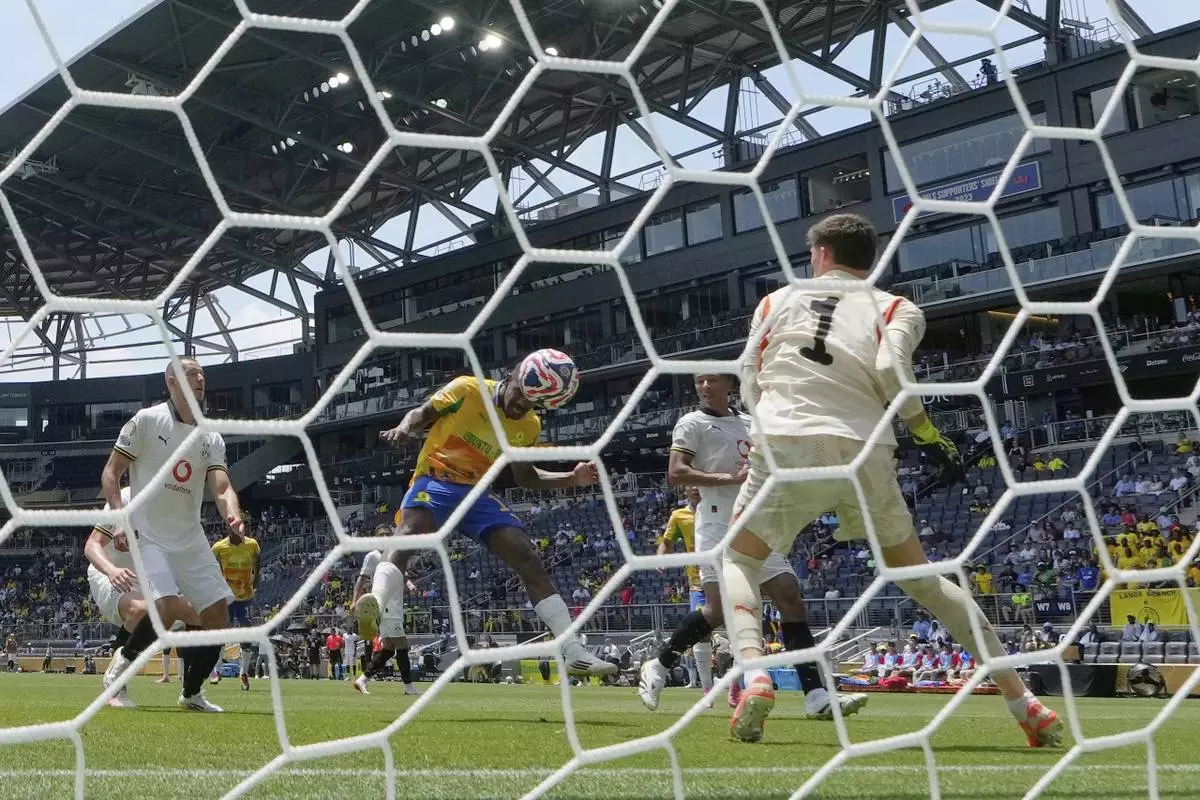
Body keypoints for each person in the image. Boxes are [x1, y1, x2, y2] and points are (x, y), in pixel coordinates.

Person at [720, 213, 1063, 747]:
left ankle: (756, 673)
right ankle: (1024, 702)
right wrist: (925, 431)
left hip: (786, 441)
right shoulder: (898, 307)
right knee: (923, 580)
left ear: (821, 254)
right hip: (865, 448)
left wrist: (766, 425)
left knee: (739, 559)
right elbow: (889, 367)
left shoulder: (775, 301)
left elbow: (749, 375)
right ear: (871, 259)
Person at [354, 349, 615, 677]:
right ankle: (375, 605)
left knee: (528, 556)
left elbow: (526, 477)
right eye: (520, 394)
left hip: (477, 494)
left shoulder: (529, 426)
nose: (522, 405)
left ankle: (573, 652)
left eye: (532, 404)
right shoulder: (468, 389)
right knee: (407, 535)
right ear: (511, 377)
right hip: (436, 478)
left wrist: (571, 478)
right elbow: (421, 413)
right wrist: (404, 429)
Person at [638, 373, 867, 720]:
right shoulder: (691, 423)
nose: (704, 387)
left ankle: (816, 695)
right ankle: (659, 664)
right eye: (699, 381)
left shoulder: (750, 423)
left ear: (730, 385)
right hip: (717, 525)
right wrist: (728, 478)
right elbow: (677, 472)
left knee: (789, 597)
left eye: (712, 380)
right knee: (716, 610)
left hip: (756, 521)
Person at [99, 356, 244, 713]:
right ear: (172, 382)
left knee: (217, 617)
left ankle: (191, 693)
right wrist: (119, 519)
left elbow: (222, 487)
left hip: (190, 537)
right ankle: (121, 666)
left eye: (202, 374)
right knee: (164, 608)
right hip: (149, 535)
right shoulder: (147, 420)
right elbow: (111, 472)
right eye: (191, 374)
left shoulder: (210, 436)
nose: (200, 379)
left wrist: (233, 515)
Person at [85, 486, 155, 708]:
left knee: (194, 610)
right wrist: (111, 571)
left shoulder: (175, 504)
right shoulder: (124, 498)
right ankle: (116, 685)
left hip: (144, 580)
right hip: (108, 572)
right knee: (142, 611)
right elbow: (91, 545)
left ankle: (191, 692)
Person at [351, 526, 423, 695]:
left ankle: (362, 679)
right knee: (402, 645)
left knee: (389, 648)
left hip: (395, 605)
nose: (384, 537)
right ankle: (408, 687)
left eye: (387, 534)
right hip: (386, 606)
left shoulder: (394, 554)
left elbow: (402, 576)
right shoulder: (373, 556)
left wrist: (410, 585)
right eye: (381, 535)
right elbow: (361, 580)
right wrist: (354, 601)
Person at [210, 527, 260, 690]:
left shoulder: (252, 544)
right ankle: (217, 670)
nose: (239, 532)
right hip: (227, 597)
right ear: (228, 530)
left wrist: (254, 583)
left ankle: (243, 673)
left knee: (247, 633)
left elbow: (258, 563)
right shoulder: (219, 547)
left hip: (246, 597)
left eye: (241, 528)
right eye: (235, 529)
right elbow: (211, 568)